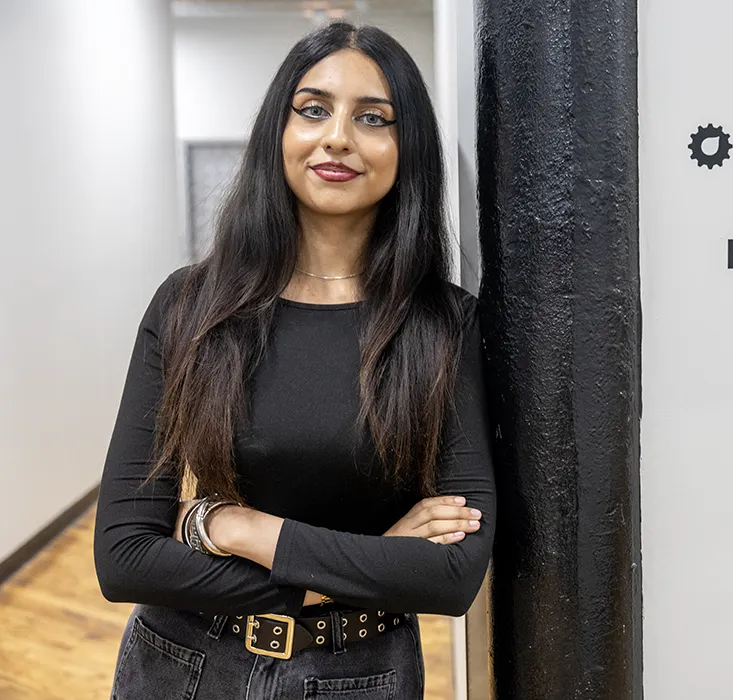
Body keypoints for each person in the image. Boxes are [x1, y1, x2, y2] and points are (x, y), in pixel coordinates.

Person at [92, 21, 495, 699]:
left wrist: (227, 524)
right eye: (313, 109)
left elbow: (452, 578)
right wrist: (368, 562)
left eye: (374, 118)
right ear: (278, 131)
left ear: (408, 148)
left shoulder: (441, 326)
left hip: (358, 675)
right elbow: (124, 556)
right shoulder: (191, 304)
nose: (337, 136)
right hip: (180, 662)